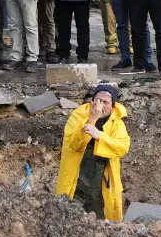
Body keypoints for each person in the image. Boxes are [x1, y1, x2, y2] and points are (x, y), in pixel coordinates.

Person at [55, 84, 130, 221]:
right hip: (78, 177)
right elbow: (74, 144)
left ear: (113, 105)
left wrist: (100, 136)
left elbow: (122, 147)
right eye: (98, 100)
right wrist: (92, 120)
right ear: (92, 101)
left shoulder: (117, 123)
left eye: (105, 102)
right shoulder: (78, 116)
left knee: (101, 217)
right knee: (69, 216)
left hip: (101, 179)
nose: (100, 105)